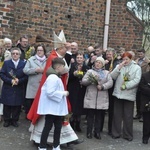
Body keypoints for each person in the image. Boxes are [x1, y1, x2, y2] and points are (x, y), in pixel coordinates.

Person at [27, 30, 80, 148]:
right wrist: (63, 93)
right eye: (65, 49)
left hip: (57, 99)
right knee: (48, 124)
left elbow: (65, 68)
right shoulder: (54, 59)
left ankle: (59, 143)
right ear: (60, 49)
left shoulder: (57, 57)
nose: (66, 50)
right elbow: (65, 69)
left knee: (57, 125)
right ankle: (42, 143)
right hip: (52, 100)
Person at [38, 58, 69, 150]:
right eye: (63, 67)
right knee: (48, 126)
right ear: (58, 67)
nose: (64, 69)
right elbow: (50, 92)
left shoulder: (56, 76)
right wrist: (63, 93)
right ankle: (42, 146)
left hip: (56, 108)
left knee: (58, 127)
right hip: (51, 109)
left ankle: (56, 145)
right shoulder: (53, 77)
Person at [111, 52, 141, 141]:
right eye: (123, 59)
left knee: (128, 116)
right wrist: (118, 68)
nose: (125, 61)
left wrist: (127, 85)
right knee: (117, 115)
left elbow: (137, 80)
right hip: (118, 94)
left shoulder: (136, 68)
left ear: (131, 59)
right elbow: (112, 76)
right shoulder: (119, 66)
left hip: (128, 94)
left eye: (127, 59)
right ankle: (115, 133)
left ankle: (127, 135)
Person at [82, 57, 113, 139]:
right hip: (91, 96)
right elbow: (83, 81)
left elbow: (110, 83)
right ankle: (89, 132)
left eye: (99, 62)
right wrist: (91, 80)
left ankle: (97, 132)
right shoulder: (90, 71)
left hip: (101, 98)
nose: (97, 64)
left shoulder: (106, 73)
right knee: (90, 116)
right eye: (96, 62)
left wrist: (102, 86)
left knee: (99, 117)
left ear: (102, 64)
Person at [0, 47, 28, 127]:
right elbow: (2, 74)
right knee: (7, 104)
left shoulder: (23, 63)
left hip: (19, 87)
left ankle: (15, 120)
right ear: (11, 54)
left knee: (17, 105)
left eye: (17, 54)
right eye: (13, 53)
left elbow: (26, 76)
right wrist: (10, 81)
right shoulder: (7, 63)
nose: (15, 55)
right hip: (8, 86)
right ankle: (7, 120)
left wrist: (19, 81)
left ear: (19, 55)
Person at [68, 52, 89, 132]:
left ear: (83, 59)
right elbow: (68, 78)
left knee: (80, 108)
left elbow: (89, 77)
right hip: (73, 89)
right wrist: (74, 74)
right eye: (78, 58)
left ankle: (78, 124)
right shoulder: (72, 67)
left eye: (81, 58)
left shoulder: (86, 67)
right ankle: (72, 123)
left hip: (81, 90)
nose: (79, 59)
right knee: (73, 107)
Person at [23, 44, 47, 115]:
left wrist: (44, 71)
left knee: (40, 103)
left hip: (43, 85)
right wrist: (35, 70)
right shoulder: (31, 59)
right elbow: (25, 70)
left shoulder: (47, 60)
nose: (39, 52)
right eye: (38, 50)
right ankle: (30, 116)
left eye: (41, 50)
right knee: (31, 103)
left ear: (44, 51)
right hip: (33, 85)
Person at [105, 47, 119, 135]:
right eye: (107, 54)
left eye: (109, 54)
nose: (108, 56)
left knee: (112, 110)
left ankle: (111, 129)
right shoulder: (105, 63)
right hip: (106, 88)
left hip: (113, 88)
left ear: (113, 54)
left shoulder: (117, 63)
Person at [134, 48, 150, 122]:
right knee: (138, 98)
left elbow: (147, 71)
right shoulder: (136, 61)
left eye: (141, 54)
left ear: (144, 54)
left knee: (143, 99)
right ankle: (138, 113)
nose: (139, 55)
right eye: (138, 54)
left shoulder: (147, 62)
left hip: (143, 80)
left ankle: (143, 114)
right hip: (137, 81)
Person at [139, 63, 150, 144]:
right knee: (147, 121)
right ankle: (145, 137)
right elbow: (142, 87)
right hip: (147, 101)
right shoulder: (145, 75)